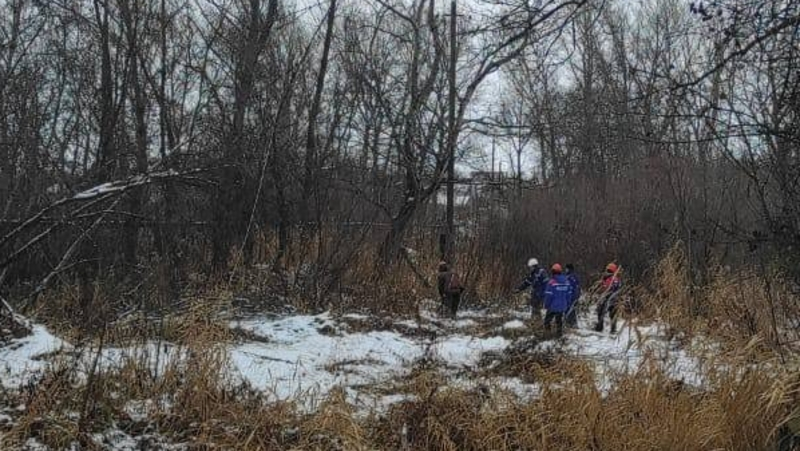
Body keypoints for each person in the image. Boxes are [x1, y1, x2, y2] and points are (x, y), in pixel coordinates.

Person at [543, 263, 572, 336]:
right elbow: (569, 294)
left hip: (553, 306)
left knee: (547, 321)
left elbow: (548, 295)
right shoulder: (566, 282)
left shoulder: (552, 282)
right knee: (559, 320)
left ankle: (548, 335)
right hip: (562, 306)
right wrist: (567, 303)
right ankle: (559, 335)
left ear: (553, 271)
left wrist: (546, 305)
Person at [595, 262, 622, 333]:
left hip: (609, 298)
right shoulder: (612, 278)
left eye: (608, 270)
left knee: (602, 312)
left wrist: (604, 290)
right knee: (612, 315)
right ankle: (612, 328)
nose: (607, 271)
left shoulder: (612, 279)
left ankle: (601, 327)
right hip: (613, 299)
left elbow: (608, 288)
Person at [564, 263, 581, 328]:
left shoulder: (571, 277)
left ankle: (571, 324)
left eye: (566, 268)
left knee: (570, 310)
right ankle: (570, 323)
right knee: (570, 310)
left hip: (571, 297)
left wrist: (575, 296)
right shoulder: (571, 276)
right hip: (570, 296)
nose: (565, 270)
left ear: (569, 269)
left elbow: (574, 287)